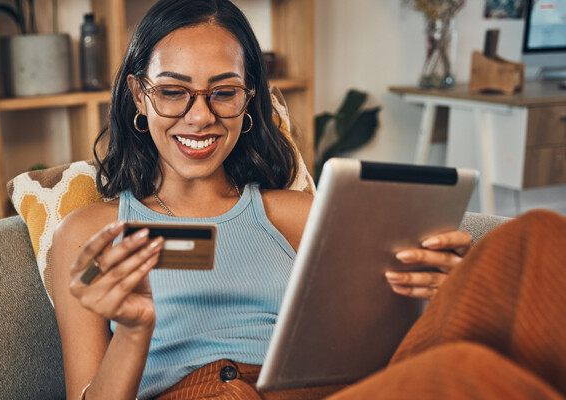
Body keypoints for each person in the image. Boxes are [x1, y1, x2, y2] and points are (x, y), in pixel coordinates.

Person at [50, 1, 472, 399]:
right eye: (173, 91)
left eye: (224, 92)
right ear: (140, 96)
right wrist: (134, 330)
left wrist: (441, 297)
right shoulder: (88, 235)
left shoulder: (297, 216)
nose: (200, 117)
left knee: (531, 236)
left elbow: (372, 346)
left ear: (250, 97)